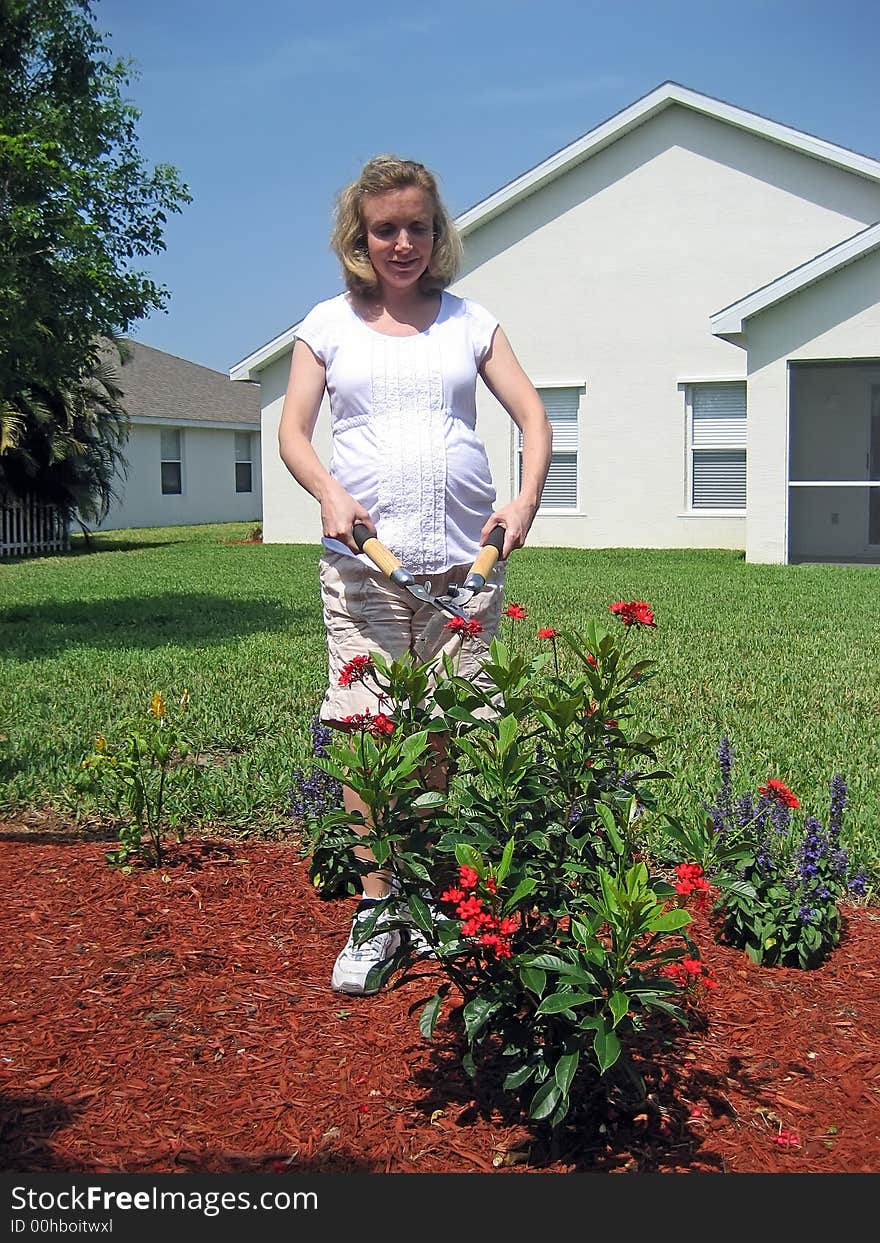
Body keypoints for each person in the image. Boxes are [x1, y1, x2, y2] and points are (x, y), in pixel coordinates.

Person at [278, 155, 552, 994]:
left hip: (464, 567)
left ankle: (422, 889)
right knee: (366, 727)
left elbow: (534, 416)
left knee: (438, 731)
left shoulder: (471, 322)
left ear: (439, 233)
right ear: (359, 236)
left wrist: (523, 503)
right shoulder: (328, 324)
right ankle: (375, 904)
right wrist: (327, 490)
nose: (402, 242)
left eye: (418, 227)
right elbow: (293, 431)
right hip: (364, 565)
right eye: (385, 228)